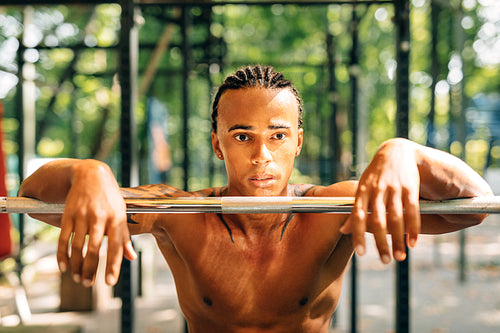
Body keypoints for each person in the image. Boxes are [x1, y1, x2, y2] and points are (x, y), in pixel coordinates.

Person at [18, 65, 493, 332]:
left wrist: (404, 153)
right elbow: (32, 196)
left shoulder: (333, 209)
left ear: (298, 142)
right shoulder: (180, 212)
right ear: (217, 143)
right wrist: (88, 172)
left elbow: (475, 204)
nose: (262, 155)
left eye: (278, 136)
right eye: (242, 136)